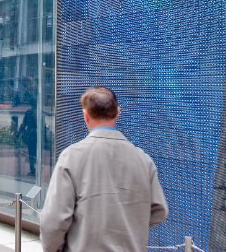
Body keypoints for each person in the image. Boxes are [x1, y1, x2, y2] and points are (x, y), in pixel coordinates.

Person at [40, 87, 168, 252]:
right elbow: (159, 211)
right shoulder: (143, 159)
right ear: (117, 112)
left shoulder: (71, 156)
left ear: (85, 116)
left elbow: (54, 220)